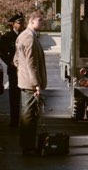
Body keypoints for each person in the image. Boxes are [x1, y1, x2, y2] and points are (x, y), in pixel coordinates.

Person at [13, 10, 47, 156]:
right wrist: (36, 85)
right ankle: (28, 147)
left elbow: (16, 60)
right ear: (31, 21)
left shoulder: (24, 36)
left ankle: (27, 145)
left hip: (25, 82)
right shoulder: (29, 38)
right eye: (40, 20)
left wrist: (21, 73)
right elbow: (32, 64)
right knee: (29, 116)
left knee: (28, 115)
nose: (42, 22)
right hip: (30, 84)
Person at [0, 13, 26, 127]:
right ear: (13, 24)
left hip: (24, 69)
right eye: (19, 23)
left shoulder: (25, 35)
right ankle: (14, 120)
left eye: (22, 23)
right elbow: (2, 52)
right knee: (14, 96)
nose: (21, 25)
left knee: (26, 95)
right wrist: (9, 63)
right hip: (14, 69)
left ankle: (26, 120)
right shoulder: (7, 37)